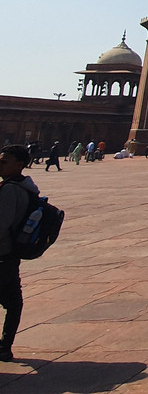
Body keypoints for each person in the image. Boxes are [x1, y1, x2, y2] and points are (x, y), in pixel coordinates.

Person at [0, 144, 39, 361]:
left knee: (13, 302)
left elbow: (1, 224)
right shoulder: (27, 187)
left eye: (4, 161)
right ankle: (5, 346)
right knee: (14, 303)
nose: (0, 164)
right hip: (12, 254)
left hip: (2, 253)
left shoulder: (10, 189)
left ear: (20, 165)